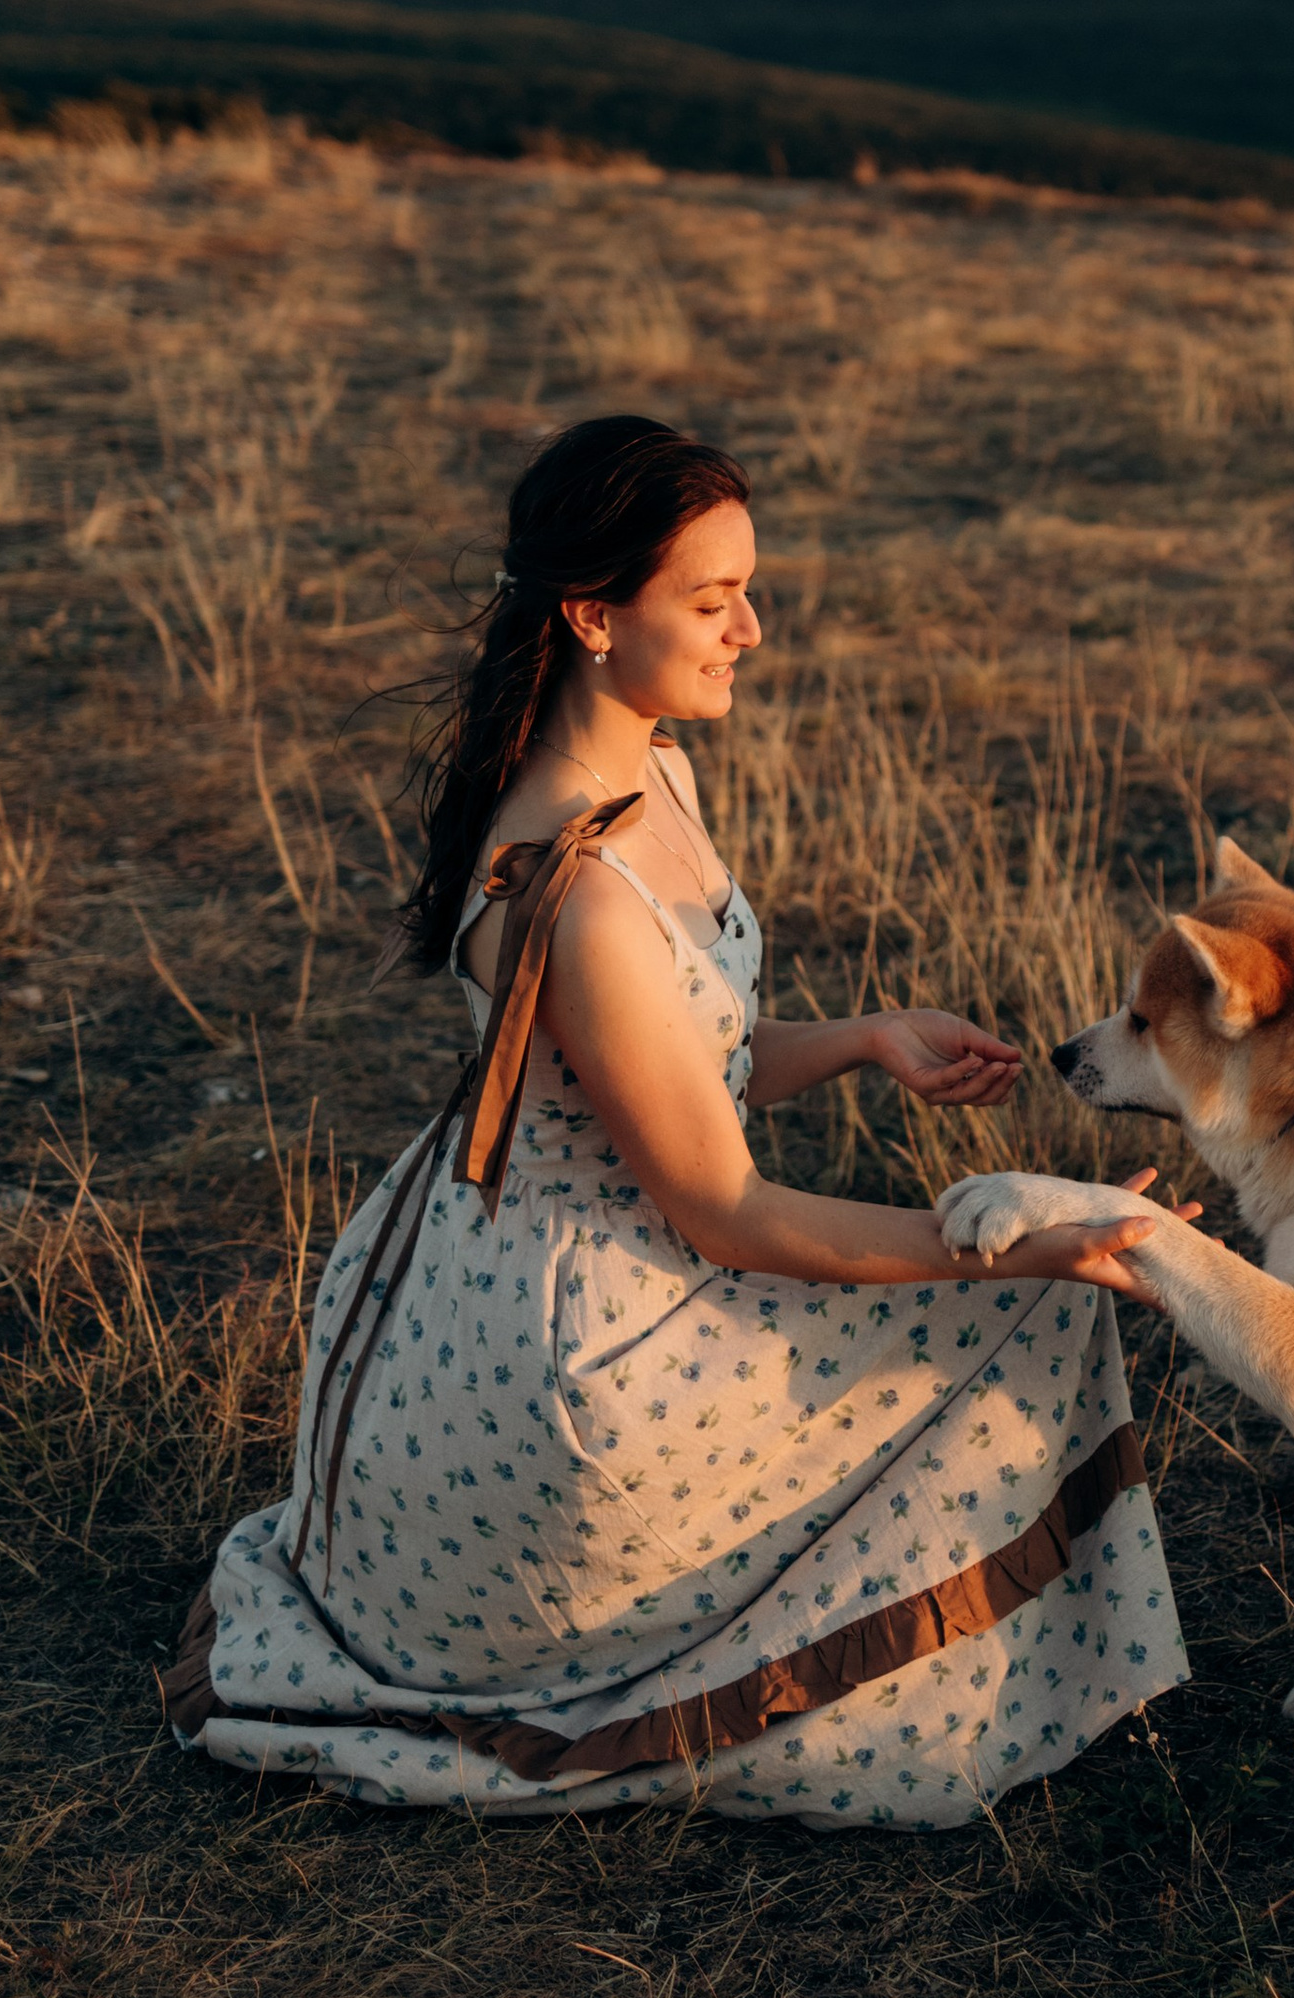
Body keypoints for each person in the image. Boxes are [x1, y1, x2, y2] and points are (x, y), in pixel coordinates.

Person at [164, 413, 1187, 1823]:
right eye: (711, 601)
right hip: (578, 1362)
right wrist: (1022, 1244)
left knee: (1018, 1285)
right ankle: (950, 1705)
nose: (751, 629)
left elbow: (681, 1066)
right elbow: (727, 1211)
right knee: (1034, 1308)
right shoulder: (576, 888)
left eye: (744, 591)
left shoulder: (646, 772)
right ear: (593, 615)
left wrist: (863, 1043)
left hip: (502, 1276)